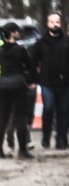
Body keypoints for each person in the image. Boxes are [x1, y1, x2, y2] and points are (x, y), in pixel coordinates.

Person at [0, 22, 36, 159]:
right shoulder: (20, 50)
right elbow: (30, 67)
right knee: (21, 118)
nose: (19, 33)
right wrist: (30, 81)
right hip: (18, 84)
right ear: (12, 33)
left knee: (3, 119)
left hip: (3, 85)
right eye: (17, 31)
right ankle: (23, 151)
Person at [30, 13, 69, 149]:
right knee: (48, 109)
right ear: (47, 24)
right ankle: (46, 137)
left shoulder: (66, 41)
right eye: (52, 22)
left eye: (57, 21)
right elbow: (33, 62)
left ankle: (61, 139)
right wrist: (33, 80)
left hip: (65, 83)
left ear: (61, 23)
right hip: (47, 83)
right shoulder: (41, 43)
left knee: (64, 111)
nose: (55, 24)